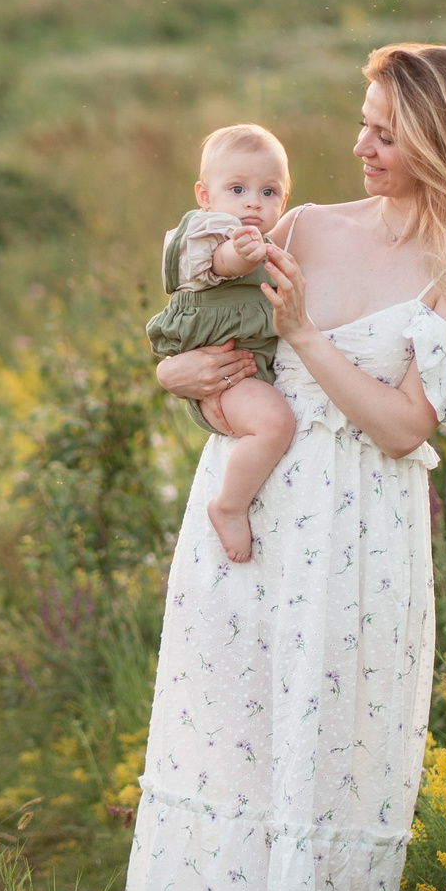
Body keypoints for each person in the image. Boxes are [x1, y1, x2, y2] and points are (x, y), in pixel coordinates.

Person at [119, 43, 446, 891]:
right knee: (228, 737)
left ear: (440, 144)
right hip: (251, 513)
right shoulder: (307, 225)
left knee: (327, 751)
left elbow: (403, 430)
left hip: (358, 537)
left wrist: (311, 335)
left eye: (384, 133)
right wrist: (175, 377)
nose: (357, 145)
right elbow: (214, 353)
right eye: (361, 121)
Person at [144, 123, 299, 564]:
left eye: (269, 192)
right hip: (223, 364)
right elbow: (217, 265)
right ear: (205, 195)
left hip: (246, 364)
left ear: (284, 200)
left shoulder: (272, 242)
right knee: (275, 424)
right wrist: (240, 255)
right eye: (237, 188)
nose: (253, 201)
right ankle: (229, 506)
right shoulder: (207, 231)